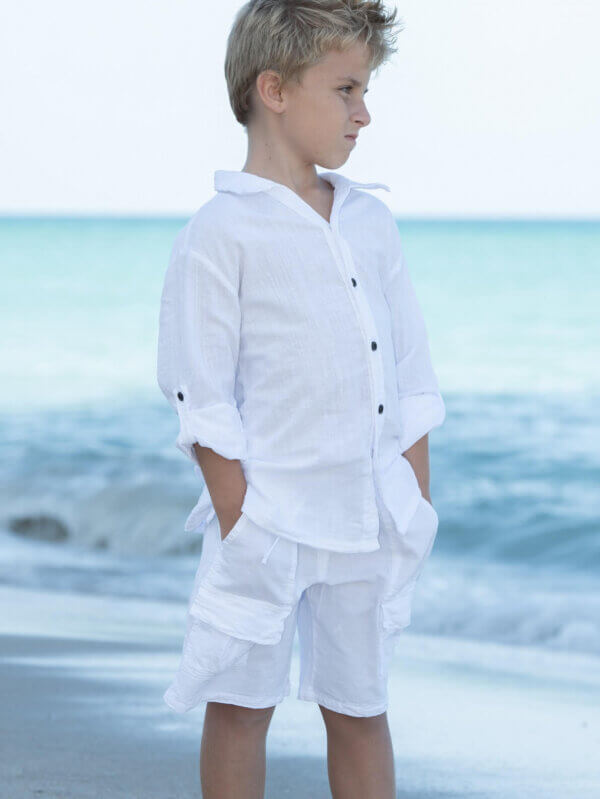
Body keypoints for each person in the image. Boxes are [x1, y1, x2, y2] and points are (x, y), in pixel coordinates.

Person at [156, 2, 446, 797]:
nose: (365, 111)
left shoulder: (370, 223)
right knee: (242, 707)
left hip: (365, 520)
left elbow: (409, 378)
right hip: (269, 523)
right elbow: (201, 395)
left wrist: (411, 502)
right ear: (275, 89)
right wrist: (242, 522)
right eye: (347, 89)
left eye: (366, 90)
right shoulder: (222, 232)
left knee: (360, 708)